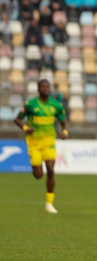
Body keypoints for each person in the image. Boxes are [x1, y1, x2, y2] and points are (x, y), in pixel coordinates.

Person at [14, 79, 68, 214]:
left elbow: (63, 121)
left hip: (49, 141)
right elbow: (17, 119)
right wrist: (26, 128)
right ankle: (37, 170)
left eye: (48, 86)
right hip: (34, 142)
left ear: (50, 89)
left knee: (50, 169)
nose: (45, 88)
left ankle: (49, 204)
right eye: (42, 86)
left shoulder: (56, 105)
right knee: (38, 175)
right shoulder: (30, 104)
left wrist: (64, 132)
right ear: (38, 89)